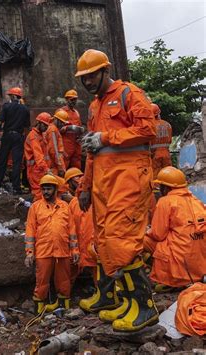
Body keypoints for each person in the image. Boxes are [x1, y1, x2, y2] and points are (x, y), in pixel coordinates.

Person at [75, 49, 158, 332]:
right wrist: (85, 187)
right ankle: (126, 302)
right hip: (103, 183)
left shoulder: (129, 94)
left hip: (129, 179)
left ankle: (145, 308)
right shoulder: (95, 107)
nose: (87, 82)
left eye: (91, 76)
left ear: (105, 70)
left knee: (123, 241)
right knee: (107, 242)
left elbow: (148, 129)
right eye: (83, 78)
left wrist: (107, 137)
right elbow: (91, 150)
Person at [144, 166, 206, 291]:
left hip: (179, 264)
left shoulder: (165, 201)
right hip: (199, 266)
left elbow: (158, 234)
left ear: (166, 187)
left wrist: (146, 230)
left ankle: (167, 278)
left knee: (140, 240)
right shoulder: (196, 201)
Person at [24, 174, 78, 314]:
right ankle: (39, 311)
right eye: (44, 189)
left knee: (64, 281)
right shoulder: (35, 207)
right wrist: (29, 254)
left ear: (55, 189)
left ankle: (64, 308)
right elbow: (30, 232)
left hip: (63, 251)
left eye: (49, 189)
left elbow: (72, 230)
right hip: (43, 250)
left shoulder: (65, 206)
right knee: (42, 282)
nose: (46, 192)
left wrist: (75, 251)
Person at [0, 87, 31, 194]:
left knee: (2, 161)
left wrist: (0, 128)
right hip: (18, 137)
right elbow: (27, 126)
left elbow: (0, 122)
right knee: (17, 163)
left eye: (10, 95)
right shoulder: (25, 109)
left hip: (7, 136)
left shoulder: (6, 107)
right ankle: (16, 188)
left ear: (14, 96)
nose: (9, 97)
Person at [65, 168, 96, 285]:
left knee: (97, 269)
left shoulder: (75, 201)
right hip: (81, 243)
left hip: (90, 242)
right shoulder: (74, 202)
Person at [24, 112, 51, 201]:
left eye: (47, 126)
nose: (46, 128)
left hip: (40, 169)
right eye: (45, 125)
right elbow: (38, 155)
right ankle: (37, 212)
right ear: (39, 123)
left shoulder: (40, 135)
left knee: (43, 193)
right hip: (35, 170)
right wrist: (46, 169)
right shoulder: (33, 136)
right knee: (39, 194)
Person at [59, 90, 84, 169]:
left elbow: (79, 126)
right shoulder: (61, 112)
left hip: (76, 144)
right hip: (65, 143)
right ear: (66, 100)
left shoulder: (76, 112)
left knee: (76, 167)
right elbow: (56, 129)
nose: (73, 102)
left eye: (75, 99)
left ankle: (76, 181)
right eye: (71, 99)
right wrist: (69, 128)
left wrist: (80, 133)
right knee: (64, 166)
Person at [150, 103, 172, 178]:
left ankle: (157, 189)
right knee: (168, 174)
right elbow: (170, 140)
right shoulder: (167, 124)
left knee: (156, 175)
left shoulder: (150, 125)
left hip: (154, 154)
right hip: (166, 153)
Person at [44, 110, 67, 177]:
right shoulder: (53, 130)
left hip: (53, 162)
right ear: (56, 120)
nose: (63, 125)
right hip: (53, 164)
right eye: (62, 122)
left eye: (64, 123)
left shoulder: (52, 128)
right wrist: (60, 167)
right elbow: (53, 150)